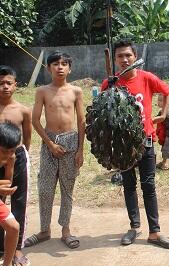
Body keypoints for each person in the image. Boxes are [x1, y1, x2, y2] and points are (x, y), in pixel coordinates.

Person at [101, 39, 169, 249]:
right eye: (120, 56)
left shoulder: (146, 78)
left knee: (148, 185)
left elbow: (166, 90)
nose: (125, 59)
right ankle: (134, 227)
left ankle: (155, 232)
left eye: (128, 55)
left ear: (135, 57)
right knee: (128, 185)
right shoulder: (110, 83)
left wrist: (163, 113)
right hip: (123, 145)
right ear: (115, 60)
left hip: (147, 139)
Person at [25, 51, 85, 249]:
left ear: (70, 68)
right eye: (56, 64)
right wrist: (50, 144)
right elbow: (35, 120)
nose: (60, 67)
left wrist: (80, 150)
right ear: (48, 68)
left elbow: (81, 120)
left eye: (64, 63)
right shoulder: (42, 91)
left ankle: (65, 230)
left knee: (67, 189)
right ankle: (44, 230)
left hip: (71, 141)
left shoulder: (76, 91)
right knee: (45, 189)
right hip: (49, 142)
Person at [0, 65, 31, 266]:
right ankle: (3, 248)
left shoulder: (23, 110)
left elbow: (27, 138)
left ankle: (17, 248)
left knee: (19, 202)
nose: (4, 87)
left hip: (17, 157)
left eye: (8, 83)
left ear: (15, 85)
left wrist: (18, 157)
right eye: (0, 83)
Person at [0, 122, 22, 266]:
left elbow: (7, 182)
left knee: (14, 227)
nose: (8, 155)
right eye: (4, 151)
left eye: (12, 151)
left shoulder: (11, 158)